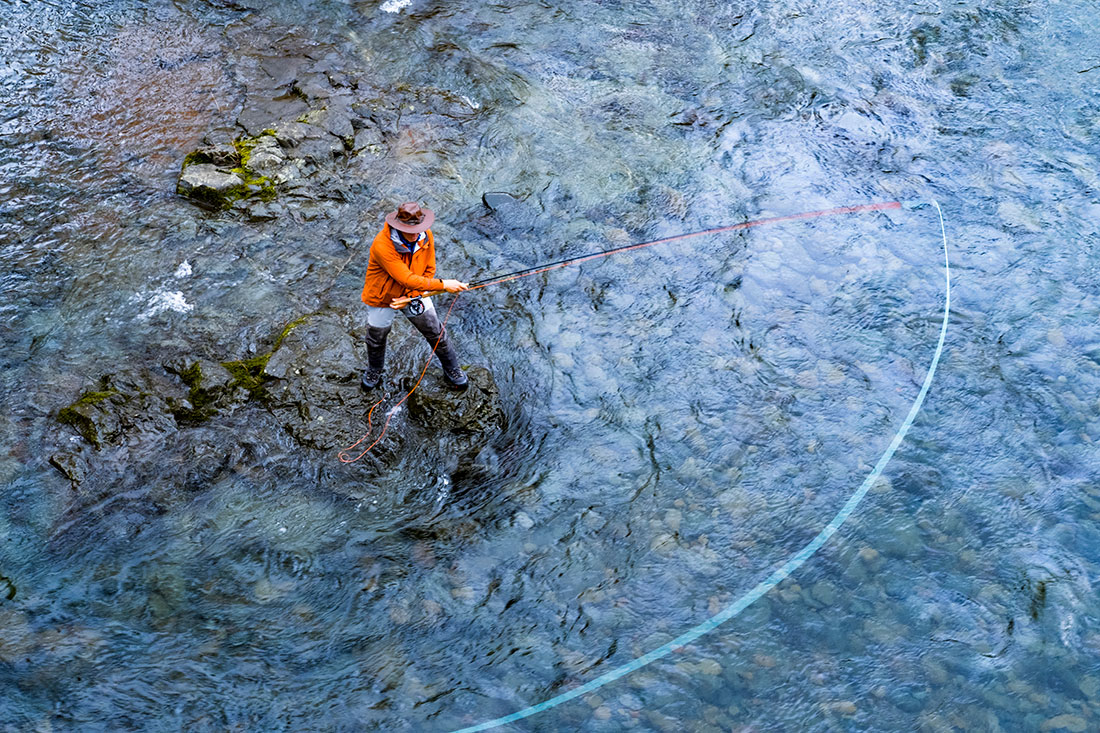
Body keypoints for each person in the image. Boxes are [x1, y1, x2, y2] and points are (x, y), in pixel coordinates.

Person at [359, 201, 470, 391]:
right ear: (397, 226)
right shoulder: (382, 245)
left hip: (413, 293)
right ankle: (374, 369)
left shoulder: (425, 236)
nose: (415, 234)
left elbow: (429, 268)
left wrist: (412, 296)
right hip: (382, 297)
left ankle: (452, 368)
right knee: (376, 336)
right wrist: (444, 285)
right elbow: (406, 278)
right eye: (409, 231)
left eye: (418, 229)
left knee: (435, 331)